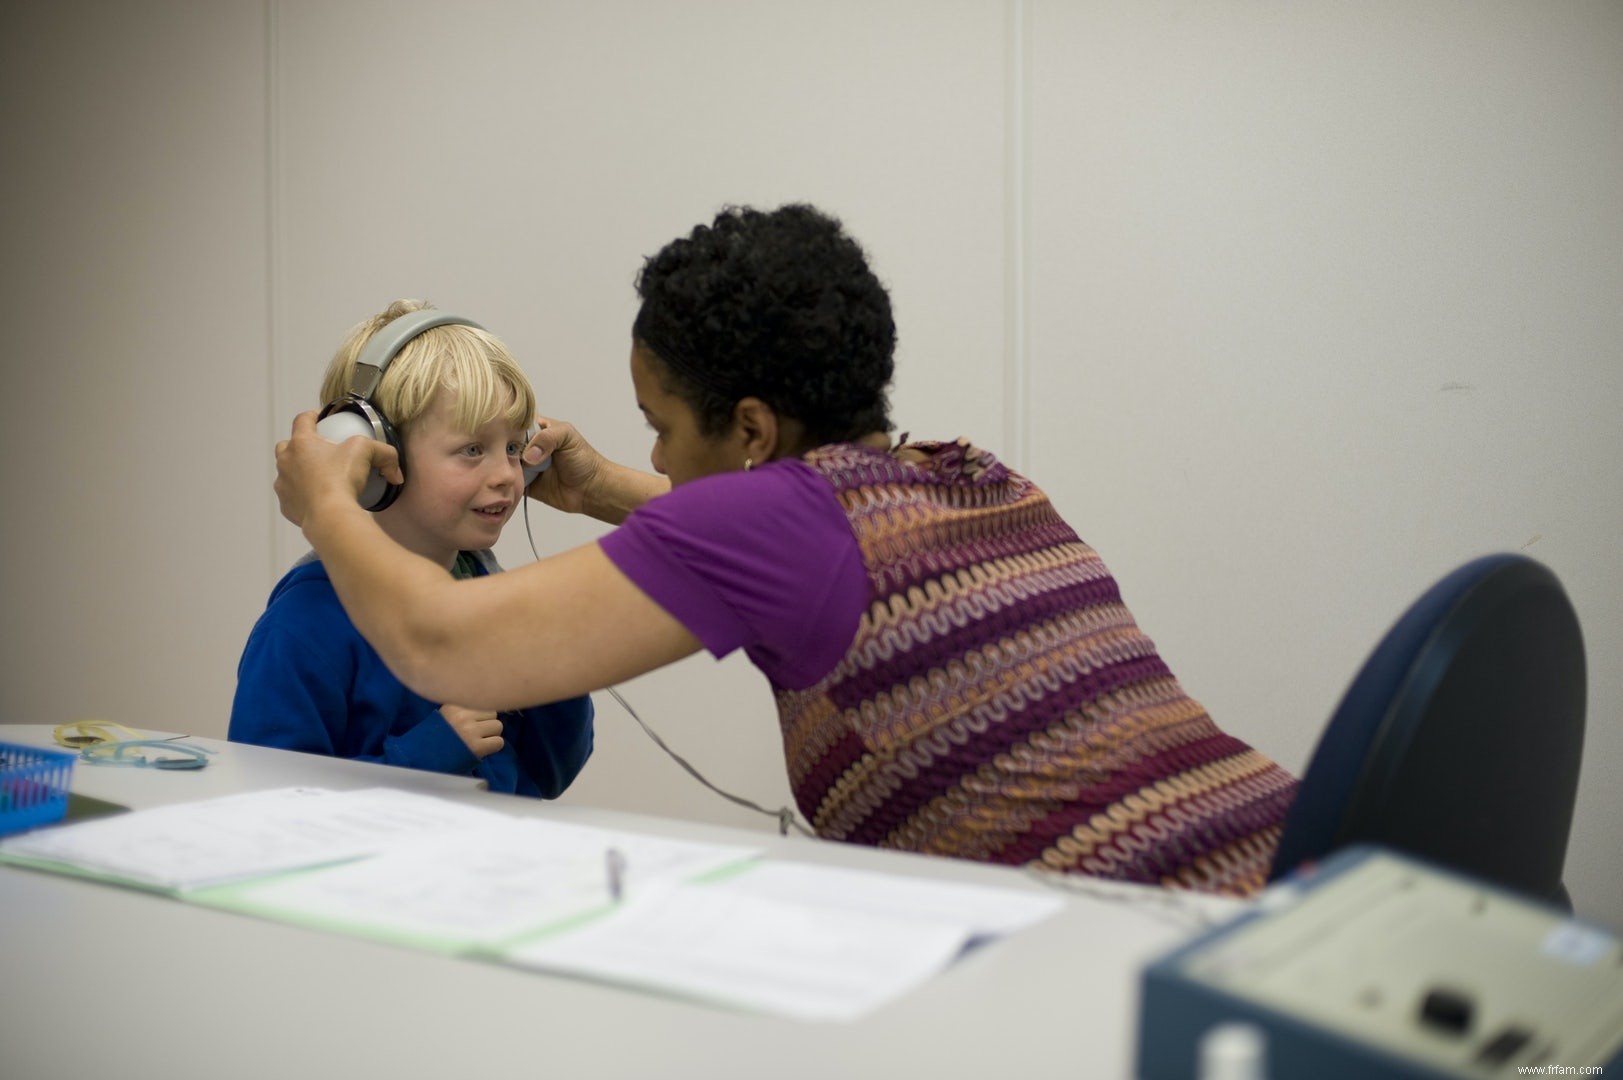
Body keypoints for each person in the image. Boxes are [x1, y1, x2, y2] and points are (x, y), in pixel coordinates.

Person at [273, 208, 1299, 895]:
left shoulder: (769, 522)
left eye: (662, 426)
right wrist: (603, 493)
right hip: (1296, 872)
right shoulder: (969, 475)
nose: (656, 458)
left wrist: (327, 501)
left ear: (753, 432)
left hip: (1169, 946)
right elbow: (789, 552)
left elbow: (438, 642)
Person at [232, 300, 594, 798]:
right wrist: (431, 753)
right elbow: (266, 801)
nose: (507, 476)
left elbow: (545, 778)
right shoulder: (305, 624)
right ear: (379, 456)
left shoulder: (492, 597)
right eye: (472, 450)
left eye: (513, 447)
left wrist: (561, 678)